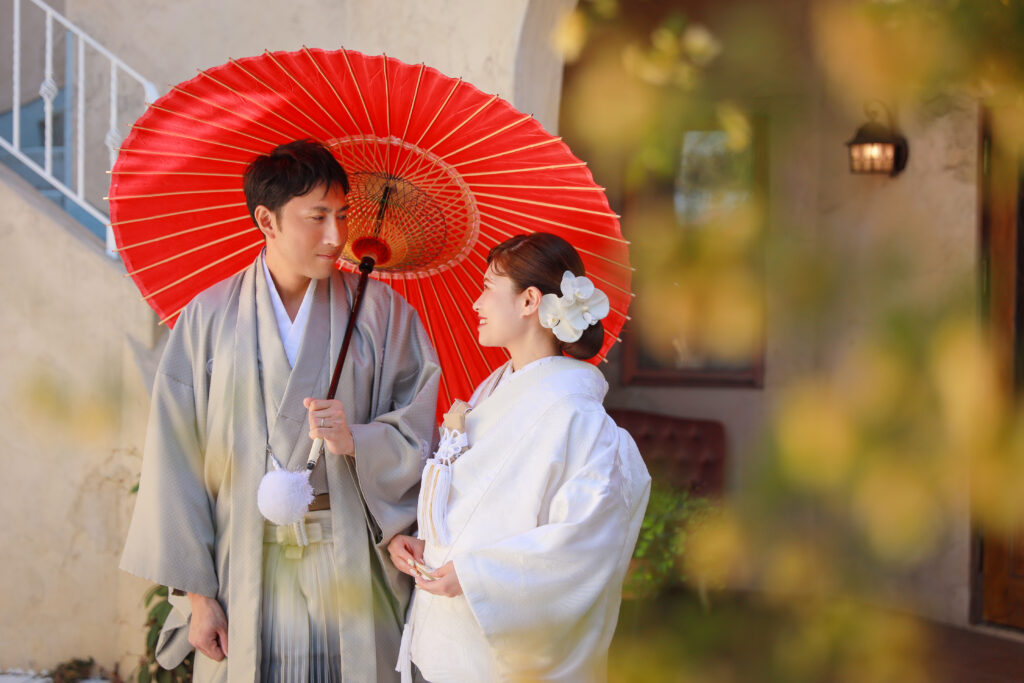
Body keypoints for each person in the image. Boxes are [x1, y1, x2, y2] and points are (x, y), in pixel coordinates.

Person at [120, 139, 441, 682]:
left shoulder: (382, 314)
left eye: (342, 215)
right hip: (242, 564)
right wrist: (198, 596)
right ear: (266, 220)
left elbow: (417, 429)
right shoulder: (208, 318)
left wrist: (356, 439)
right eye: (317, 217)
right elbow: (175, 457)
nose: (336, 236)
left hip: (351, 560)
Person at [388, 232, 651, 682]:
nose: (476, 302)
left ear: (529, 301)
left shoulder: (576, 415)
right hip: (447, 632)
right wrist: (422, 539)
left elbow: (584, 542)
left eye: (488, 287)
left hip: (499, 651)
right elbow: (472, 506)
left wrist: (477, 576)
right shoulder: (492, 389)